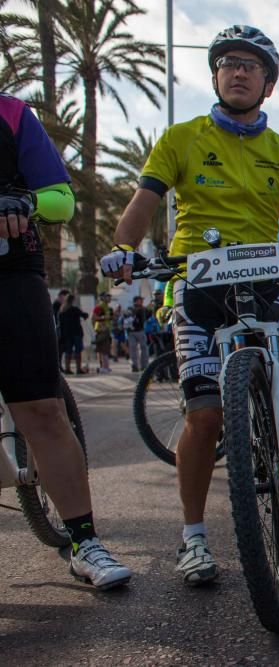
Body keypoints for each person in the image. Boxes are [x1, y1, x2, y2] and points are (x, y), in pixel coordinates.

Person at [101, 25, 279, 587]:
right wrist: (124, 249)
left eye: (251, 65)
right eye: (228, 63)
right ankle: (193, 538)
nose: (239, 71)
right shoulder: (181, 138)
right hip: (198, 292)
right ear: (216, 75)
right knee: (202, 419)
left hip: (265, 286)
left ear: (268, 85)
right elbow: (142, 203)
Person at [0, 92, 131, 588]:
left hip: (9, 274)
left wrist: (24, 200)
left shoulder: (11, 113)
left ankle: (84, 542)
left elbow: (61, 199)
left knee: (41, 410)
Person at [58, 293, 88, 374]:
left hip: (67, 334)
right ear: (73, 300)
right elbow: (84, 315)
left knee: (68, 351)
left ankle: (67, 368)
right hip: (76, 333)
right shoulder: (74, 309)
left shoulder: (62, 310)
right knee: (78, 351)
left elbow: (60, 323)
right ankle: (78, 368)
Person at [92, 291, 114, 373]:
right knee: (102, 349)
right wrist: (105, 319)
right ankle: (103, 367)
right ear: (102, 298)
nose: (109, 298)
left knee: (105, 349)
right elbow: (94, 318)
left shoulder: (107, 307)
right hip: (102, 331)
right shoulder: (99, 307)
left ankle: (105, 366)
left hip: (107, 330)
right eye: (107, 296)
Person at [126, 295, 149, 372]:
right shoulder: (132, 309)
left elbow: (148, 316)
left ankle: (143, 365)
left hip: (139, 330)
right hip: (134, 332)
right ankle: (135, 365)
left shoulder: (143, 309)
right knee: (134, 349)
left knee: (143, 348)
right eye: (140, 300)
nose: (142, 301)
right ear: (136, 301)